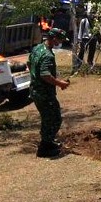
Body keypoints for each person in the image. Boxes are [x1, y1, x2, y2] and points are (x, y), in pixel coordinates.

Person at [27, 28, 71, 158]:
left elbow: (29, 63)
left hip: (35, 90)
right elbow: (45, 74)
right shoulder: (47, 55)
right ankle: (44, 148)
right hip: (44, 93)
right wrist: (60, 84)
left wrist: (34, 77)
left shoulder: (37, 48)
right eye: (60, 39)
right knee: (54, 118)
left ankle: (48, 142)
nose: (61, 42)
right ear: (54, 38)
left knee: (47, 117)